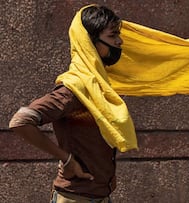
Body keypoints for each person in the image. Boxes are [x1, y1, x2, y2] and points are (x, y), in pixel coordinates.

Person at [9, 4, 137, 202]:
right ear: (90, 42)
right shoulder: (74, 88)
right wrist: (66, 159)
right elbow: (21, 121)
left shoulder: (96, 84)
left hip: (99, 195)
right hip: (75, 197)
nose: (119, 42)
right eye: (112, 36)